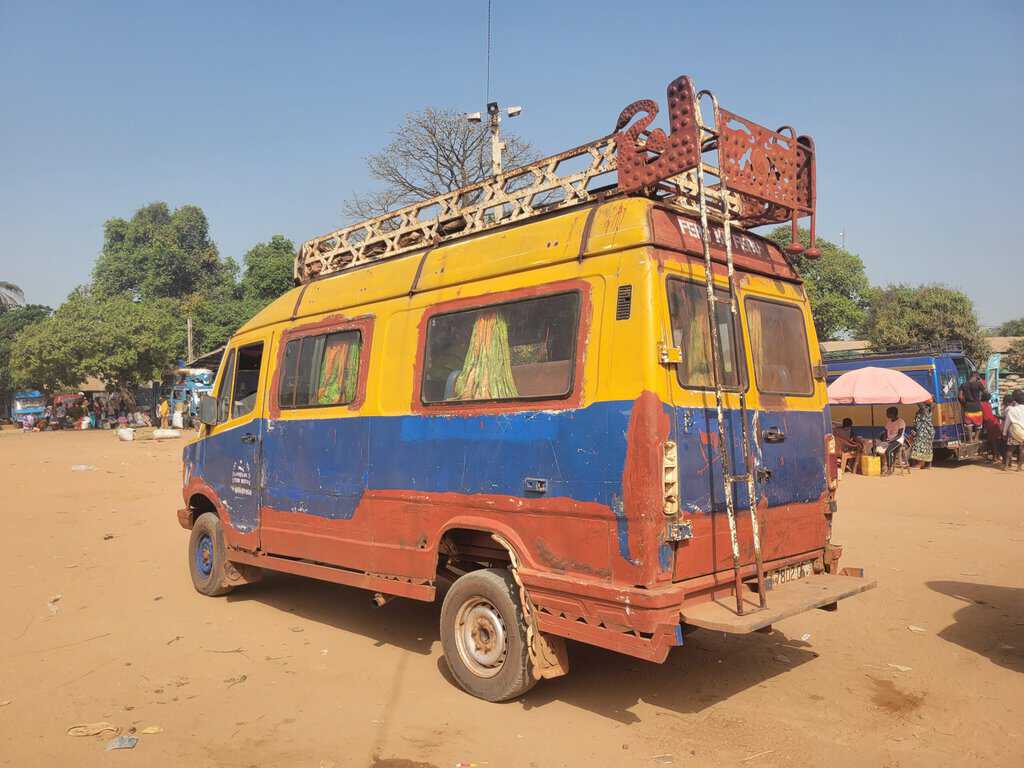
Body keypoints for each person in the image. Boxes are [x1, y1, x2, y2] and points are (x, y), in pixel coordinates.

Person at [959, 372, 989, 439]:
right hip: (977, 406)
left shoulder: (963, 385)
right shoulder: (978, 384)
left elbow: (960, 397)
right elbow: (986, 392)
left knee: (969, 424)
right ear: (976, 376)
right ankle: (976, 438)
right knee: (978, 424)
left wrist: (965, 403)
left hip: (968, 406)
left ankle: (970, 439)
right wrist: (981, 382)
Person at [1003, 389, 1024, 471]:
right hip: (1023, 432)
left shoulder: (1011, 409)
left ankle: (1006, 466)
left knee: (1010, 449)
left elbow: (1007, 422)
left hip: (1014, 432)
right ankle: (1019, 467)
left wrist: (1004, 433)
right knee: (1022, 449)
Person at [910, 400, 935, 469]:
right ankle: (928, 465)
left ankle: (918, 464)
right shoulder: (928, 410)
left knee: (919, 447)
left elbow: (919, 404)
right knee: (927, 448)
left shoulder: (925, 410)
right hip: (927, 431)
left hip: (924, 431)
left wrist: (918, 397)